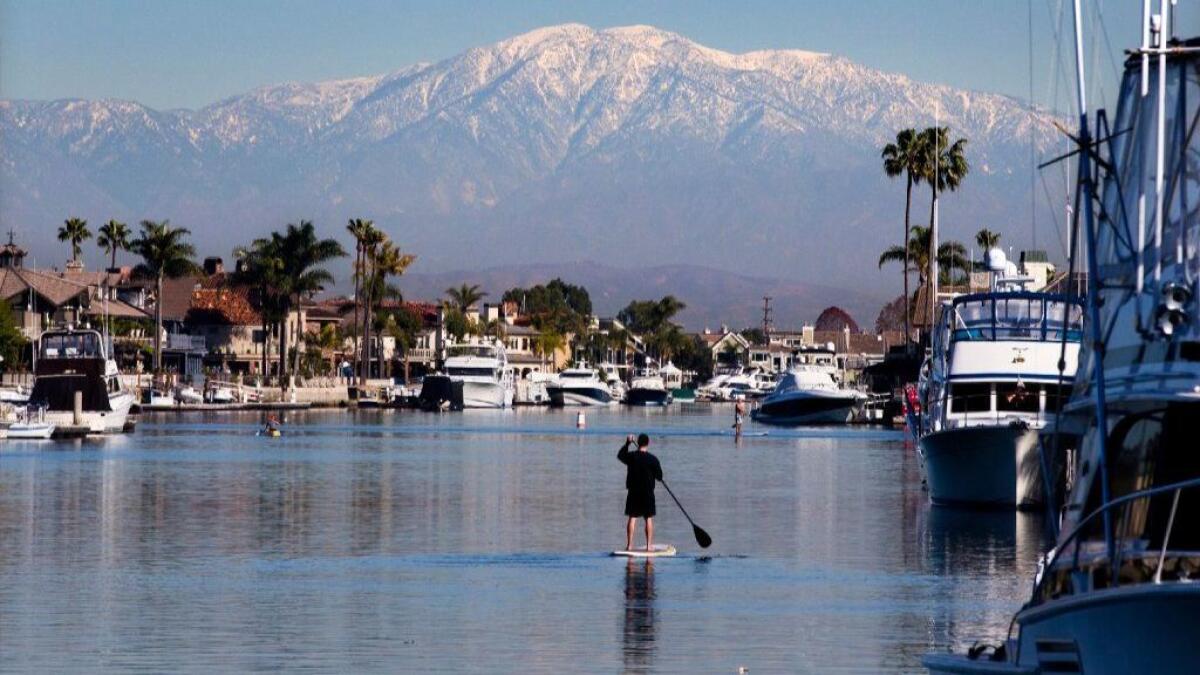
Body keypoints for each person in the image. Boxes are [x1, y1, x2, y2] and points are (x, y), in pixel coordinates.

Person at [618, 433, 663, 552]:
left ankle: (629, 545)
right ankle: (649, 546)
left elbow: (620, 455)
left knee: (632, 517)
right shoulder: (653, 459)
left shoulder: (632, 456)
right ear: (648, 443)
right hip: (648, 493)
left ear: (638, 443)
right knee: (648, 518)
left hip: (633, 492)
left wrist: (627, 443)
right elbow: (659, 477)